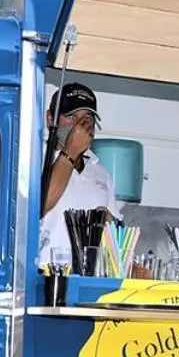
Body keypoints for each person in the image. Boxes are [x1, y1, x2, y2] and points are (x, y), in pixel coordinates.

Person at [38, 82, 120, 269]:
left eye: (87, 118)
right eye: (71, 117)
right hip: (45, 274)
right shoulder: (34, 160)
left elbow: (116, 236)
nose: (80, 126)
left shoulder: (101, 171)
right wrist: (70, 152)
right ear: (50, 119)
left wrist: (109, 221)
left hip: (87, 277)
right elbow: (38, 206)